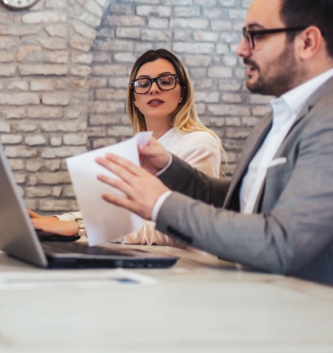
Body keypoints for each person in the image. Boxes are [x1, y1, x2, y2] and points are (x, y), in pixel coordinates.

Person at [98, 0, 333, 285]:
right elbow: (238, 200)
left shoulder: (327, 119)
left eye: (256, 35)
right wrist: (170, 167)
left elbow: (281, 244)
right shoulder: (274, 120)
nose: (241, 49)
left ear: (307, 42)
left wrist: (161, 203)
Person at [29, 49, 223, 242]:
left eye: (165, 81)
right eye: (143, 84)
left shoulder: (200, 142)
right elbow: (117, 215)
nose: (153, 89)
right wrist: (55, 221)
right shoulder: (139, 148)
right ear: (134, 99)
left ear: (183, 92)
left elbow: (183, 228)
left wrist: (80, 228)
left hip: (186, 267)